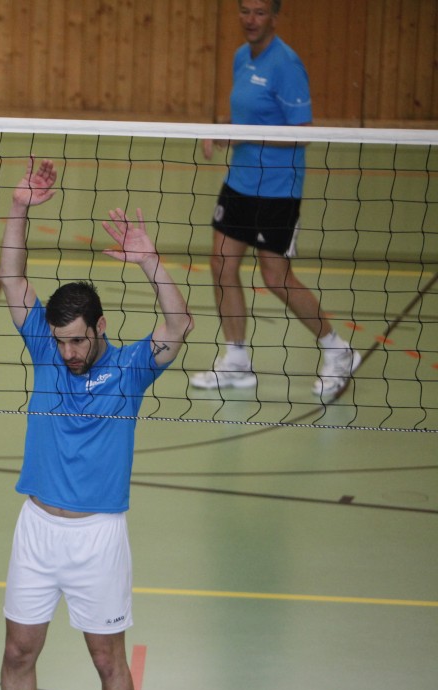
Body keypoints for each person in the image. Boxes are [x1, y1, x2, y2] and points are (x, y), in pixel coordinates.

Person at [0, 159, 193, 690]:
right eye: (60, 341)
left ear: (98, 329)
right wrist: (18, 207)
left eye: (76, 341)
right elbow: (12, 279)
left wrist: (150, 262)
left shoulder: (130, 368)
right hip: (37, 528)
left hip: (97, 536)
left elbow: (178, 326)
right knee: (18, 651)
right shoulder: (45, 348)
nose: (67, 352)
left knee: (106, 659)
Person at [192, 0, 359, 399]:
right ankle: (237, 360)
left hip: (278, 190)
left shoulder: (286, 65)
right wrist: (221, 129)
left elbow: (303, 133)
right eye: (245, 10)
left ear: (274, 17)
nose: (250, 19)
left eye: (260, 12)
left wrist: (243, 135)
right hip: (240, 183)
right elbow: (248, 118)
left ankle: (338, 350)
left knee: (276, 278)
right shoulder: (241, 57)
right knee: (221, 265)